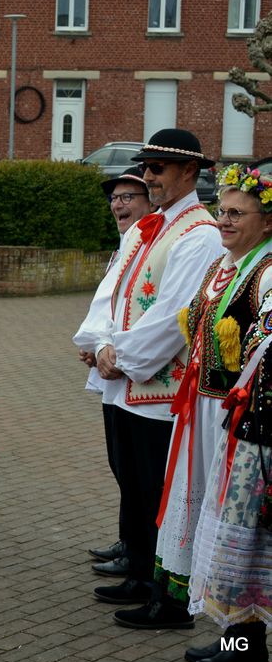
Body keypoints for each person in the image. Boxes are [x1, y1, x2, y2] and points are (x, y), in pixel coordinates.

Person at [91, 129, 225, 616]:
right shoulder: (157, 226)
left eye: (159, 168)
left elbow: (174, 316)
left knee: (155, 488)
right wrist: (102, 343)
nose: (150, 176)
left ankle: (161, 591)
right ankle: (141, 573)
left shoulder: (199, 233)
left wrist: (118, 355)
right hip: (131, 382)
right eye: (147, 167)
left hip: (160, 388)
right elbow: (118, 294)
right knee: (133, 480)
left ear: (189, 172)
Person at [177, 165, 272, 662]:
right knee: (230, 533)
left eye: (237, 213)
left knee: (248, 536)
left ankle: (246, 649)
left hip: (249, 424)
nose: (224, 221)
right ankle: (237, 642)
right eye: (222, 212)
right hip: (216, 413)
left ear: (268, 221)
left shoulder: (269, 271)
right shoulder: (229, 266)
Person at [73, 167, 155, 579]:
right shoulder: (126, 244)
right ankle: (130, 540)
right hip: (114, 366)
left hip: (134, 369)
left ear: (149, 201)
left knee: (135, 469)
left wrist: (108, 348)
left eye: (128, 197)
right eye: (115, 198)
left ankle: (138, 550)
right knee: (120, 463)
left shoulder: (149, 244)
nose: (118, 204)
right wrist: (95, 345)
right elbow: (109, 303)